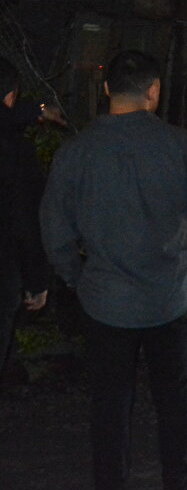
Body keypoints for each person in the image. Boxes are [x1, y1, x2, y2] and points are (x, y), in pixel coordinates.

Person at [40, 50, 187, 490]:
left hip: (107, 302)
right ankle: (176, 481)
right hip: (170, 299)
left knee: (109, 405)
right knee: (174, 400)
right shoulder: (180, 144)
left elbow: (54, 230)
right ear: (153, 92)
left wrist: (76, 278)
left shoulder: (76, 152)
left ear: (107, 89)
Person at [0, 58, 62, 381]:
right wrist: (38, 280)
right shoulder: (14, 151)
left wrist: (35, 109)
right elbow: (26, 218)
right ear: (11, 96)